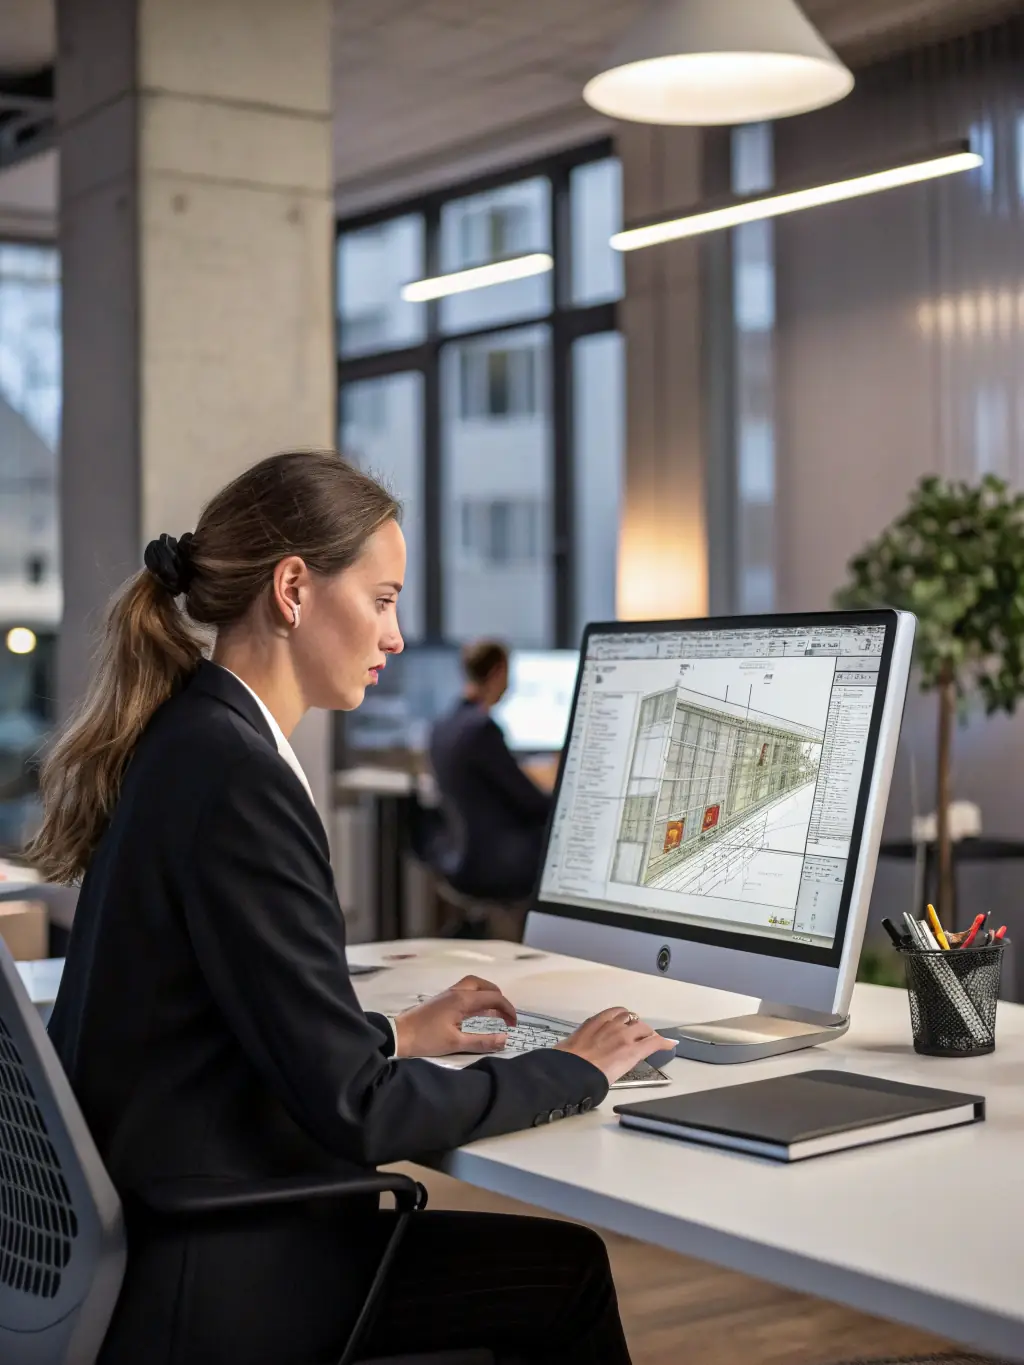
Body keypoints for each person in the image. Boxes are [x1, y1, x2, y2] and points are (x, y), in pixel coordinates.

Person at [33, 451, 668, 1365]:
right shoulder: (238, 777)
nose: (397, 636)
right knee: (565, 1275)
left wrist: (396, 1033)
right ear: (293, 589)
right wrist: (571, 1068)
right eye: (382, 600)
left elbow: (225, 1020)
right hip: (225, 1279)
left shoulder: (191, 739)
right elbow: (359, 1111)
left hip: (163, 1242)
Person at [429, 640, 551, 903]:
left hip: (456, 853)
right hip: (492, 862)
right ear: (498, 672)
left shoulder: (442, 726)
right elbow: (532, 803)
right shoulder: (481, 730)